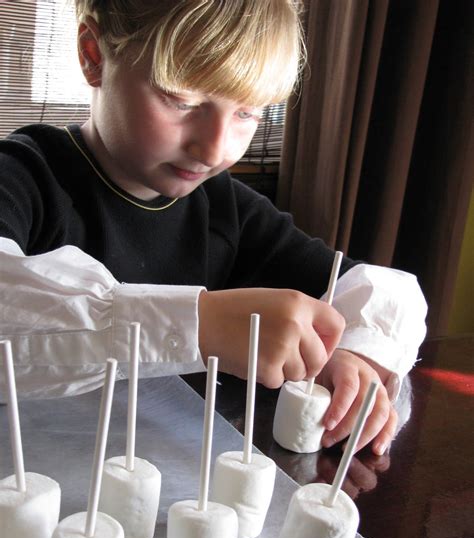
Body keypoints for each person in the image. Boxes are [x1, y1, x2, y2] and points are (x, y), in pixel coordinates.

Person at [0, 0, 426, 456]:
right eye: (181, 100)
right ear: (93, 55)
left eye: (248, 113)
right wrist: (197, 325)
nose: (215, 149)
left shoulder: (226, 209)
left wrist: (355, 351)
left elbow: (382, 290)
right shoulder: (23, 176)